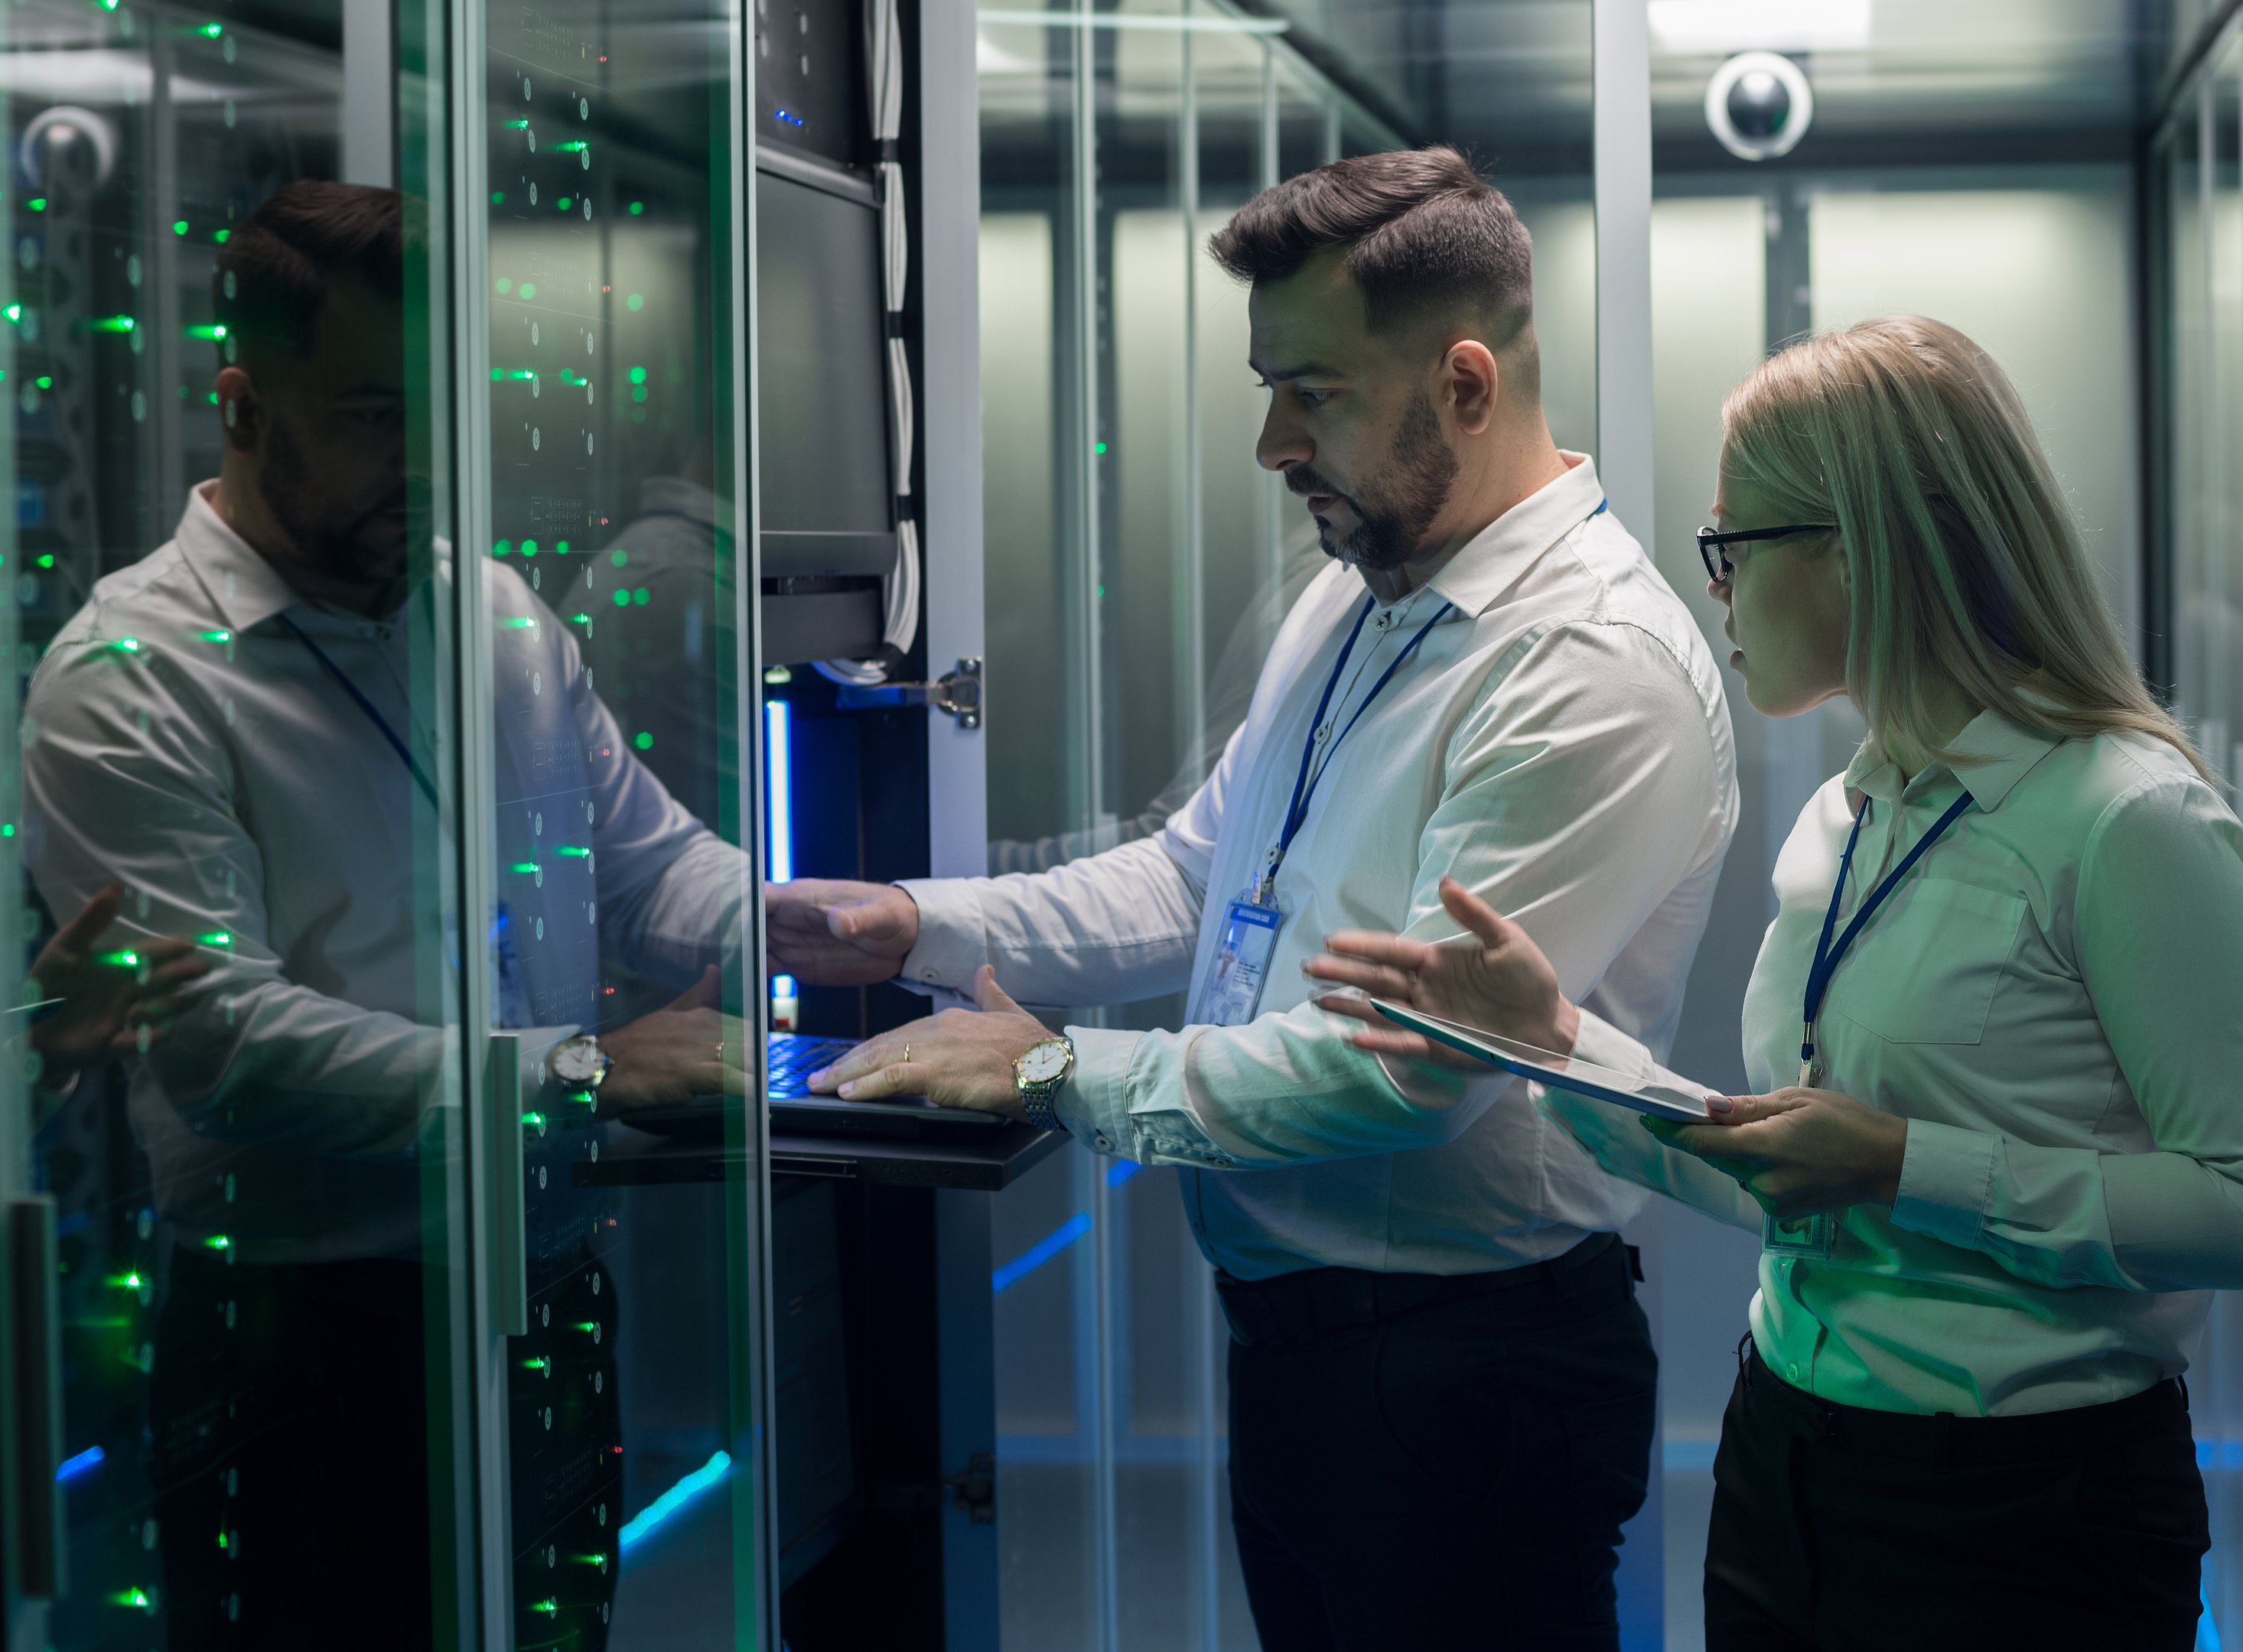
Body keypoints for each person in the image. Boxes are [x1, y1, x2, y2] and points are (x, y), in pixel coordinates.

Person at [768, 148, 1738, 1651]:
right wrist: (924, 924)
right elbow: (1196, 872)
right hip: (1311, 1354)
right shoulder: (1356, 602)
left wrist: (1052, 1068)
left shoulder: (1589, 667)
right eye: (1267, 384)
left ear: (1468, 384)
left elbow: (1406, 1081)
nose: (1273, 442)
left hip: (1468, 1380)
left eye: (1315, 391)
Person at [1311, 314, 2243, 1650]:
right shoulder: (1847, 815)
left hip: (2029, 1519)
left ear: (1859, 549)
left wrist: (1911, 1164)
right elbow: (1795, 1181)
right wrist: (1554, 1044)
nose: (1713, 587)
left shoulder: (2130, 820)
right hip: (1786, 1461)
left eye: (1733, 546)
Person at [18, 181, 749, 1650]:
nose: (422, 463)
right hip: (302, 1335)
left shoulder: (492, 616)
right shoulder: (130, 676)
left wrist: (884, 927)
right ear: (241, 402)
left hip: (541, 1286)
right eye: (368, 417)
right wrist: (581, 1070)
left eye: (439, 415)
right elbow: (232, 1046)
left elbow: (656, 875)